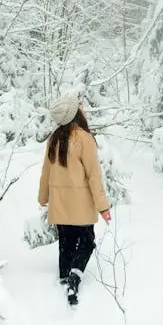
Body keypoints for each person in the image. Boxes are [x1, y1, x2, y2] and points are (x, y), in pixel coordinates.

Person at [38, 94, 111, 305]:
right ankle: (75, 276)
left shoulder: (54, 139)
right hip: (81, 205)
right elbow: (94, 176)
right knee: (87, 242)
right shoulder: (84, 140)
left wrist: (43, 196)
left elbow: (46, 171)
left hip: (60, 204)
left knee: (66, 242)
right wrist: (102, 206)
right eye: (79, 107)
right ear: (75, 114)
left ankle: (64, 276)